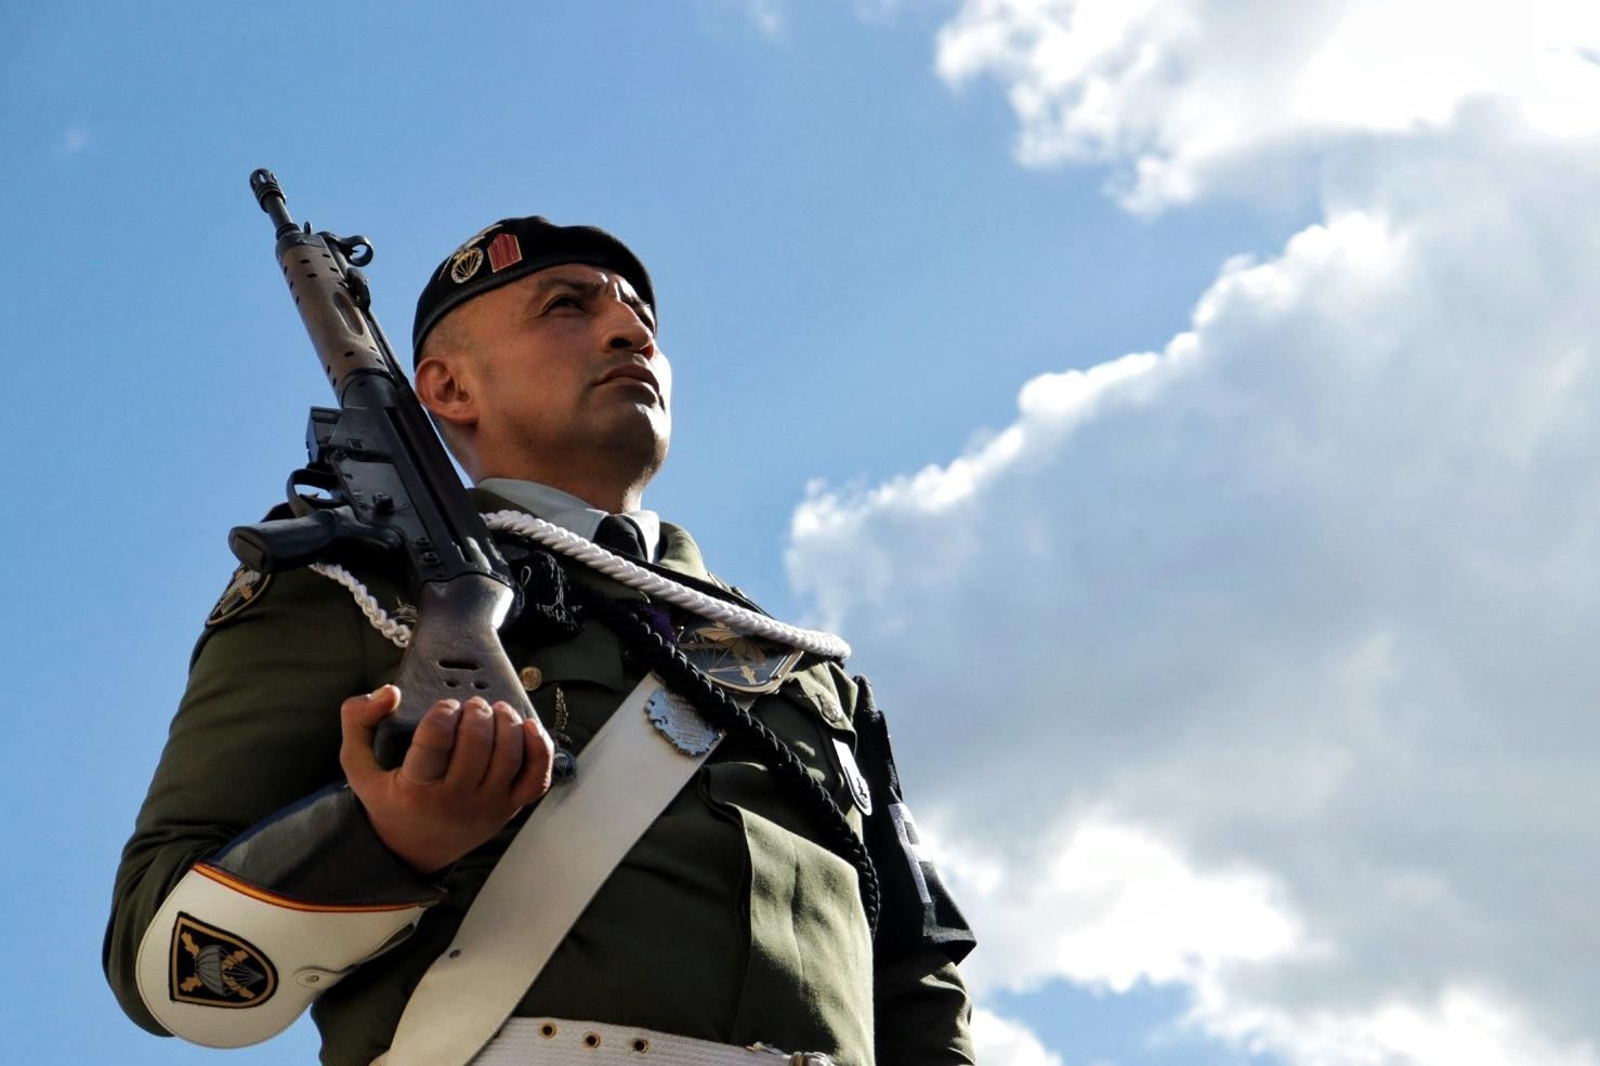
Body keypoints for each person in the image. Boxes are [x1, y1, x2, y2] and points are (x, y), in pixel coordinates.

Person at [103, 216, 976, 1066]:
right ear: (447, 390)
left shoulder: (800, 668)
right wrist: (389, 840)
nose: (630, 331)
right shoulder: (352, 586)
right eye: (569, 306)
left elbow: (915, 977)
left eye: (641, 317)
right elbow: (159, 960)